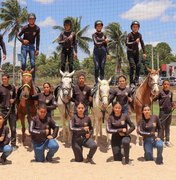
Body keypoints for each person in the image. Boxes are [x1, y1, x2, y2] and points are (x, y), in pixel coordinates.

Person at [17, 13, 40, 82]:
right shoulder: (25, 27)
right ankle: (23, 79)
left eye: (32, 19)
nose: (31, 20)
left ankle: (33, 80)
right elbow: (18, 35)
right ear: (28, 20)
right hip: (24, 47)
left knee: (33, 63)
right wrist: (22, 40)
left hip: (32, 46)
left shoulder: (37, 28)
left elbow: (38, 39)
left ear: (35, 20)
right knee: (23, 63)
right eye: (30, 19)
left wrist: (37, 49)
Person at [153, 80, 176, 147]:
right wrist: (154, 95)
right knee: (162, 126)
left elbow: (171, 101)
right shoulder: (160, 92)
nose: (166, 85)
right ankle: (161, 140)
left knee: (167, 127)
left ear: (169, 85)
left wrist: (174, 105)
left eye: (167, 84)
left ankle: (167, 140)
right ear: (162, 85)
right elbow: (154, 99)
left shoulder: (170, 93)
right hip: (162, 111)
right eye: (165, 84)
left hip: (169, 112)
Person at [126, 21, 146, 87]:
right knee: (133, 66)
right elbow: (127, 44)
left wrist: (144, 52)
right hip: (130, 53)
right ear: (131, 27)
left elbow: (142, 44)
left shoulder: (139, 35)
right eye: (134, 27)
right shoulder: (129, 35)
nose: (135, 28)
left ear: (138, 28)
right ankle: (131, 82)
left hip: (136, 53)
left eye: (136, 27)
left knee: (139, 66)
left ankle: (136, 80)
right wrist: (135, 42)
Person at [0, 74, 17, 151]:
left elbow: (16, 96)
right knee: (4, 128)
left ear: (8, 79)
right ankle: (4, 144)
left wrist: (14, 100)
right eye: (2, 79)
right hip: (2, 111)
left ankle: (13, 144)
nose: (3, 80)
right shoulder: (0, 88)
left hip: (11, 110)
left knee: (13, 128)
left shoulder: (12, 87)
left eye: (5, 79)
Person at [92, 20, 109, 85]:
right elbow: (96, 43)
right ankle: (96, 82)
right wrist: (104, 41)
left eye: (100, 26)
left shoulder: (104, 34)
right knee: (96, 67)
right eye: (97, 26)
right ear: (95, 27)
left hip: (103, 52)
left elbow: (105, 45)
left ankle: (101, 81)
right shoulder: (94, 35)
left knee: (102, 67)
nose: (99, 27)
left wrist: (108, 53)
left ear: (102, 27)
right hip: (96, 52)